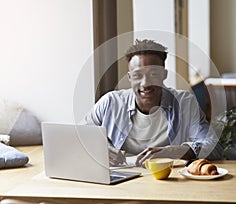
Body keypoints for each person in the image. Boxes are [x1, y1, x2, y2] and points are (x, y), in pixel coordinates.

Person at [83, 39, 223, 166]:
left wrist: (173, 151)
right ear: (130, 77)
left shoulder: (185, 102)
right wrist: (101, 149)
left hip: (167, 181)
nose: (145, 84)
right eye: (138, 75)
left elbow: (213, 147)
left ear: (164, 74)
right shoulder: (110, 102)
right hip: (120, 181)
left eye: (153, 74)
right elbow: (80, 138)